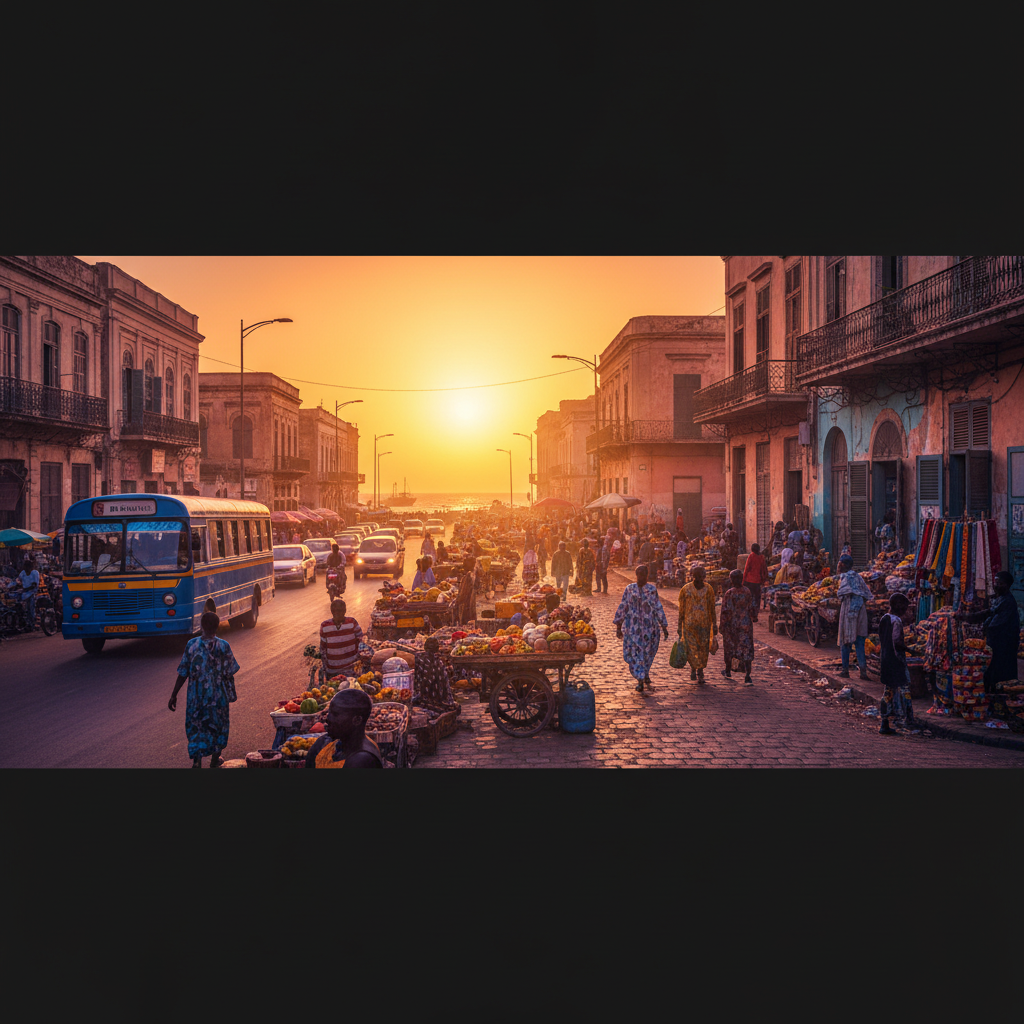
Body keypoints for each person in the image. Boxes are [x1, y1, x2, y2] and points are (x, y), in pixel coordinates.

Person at [168, 610, 239, 768]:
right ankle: (215, 758)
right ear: (217, 627)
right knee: (219, 726)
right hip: (218, 697)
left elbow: (182, 672)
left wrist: (174, 695)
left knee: (197, 727)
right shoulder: (223, 646)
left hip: (196, 698)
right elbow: (229, 672)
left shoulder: (192, 645)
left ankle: (197, 760)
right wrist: (231, 694)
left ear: (202, 626)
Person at [957, 570, 1021, 694]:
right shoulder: (1000, 599)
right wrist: (968, 617)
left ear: (1007, 585)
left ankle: (1001, 699)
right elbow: (989, 612)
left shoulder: (1008, 601)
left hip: (1004, 643)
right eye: (995, 582)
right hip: (996, 643)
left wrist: (981, 628)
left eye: (1000, 583)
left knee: (1002, 673)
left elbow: (996, 623)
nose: (996, 585)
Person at [613, 563, 669, 693]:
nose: (641, 577)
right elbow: (623, 606)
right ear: (636, 575)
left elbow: (657, 607)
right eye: (639, 574)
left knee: (648, 653)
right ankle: (640, 680)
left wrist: (663, 625)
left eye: (644, 574)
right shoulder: (629, 589)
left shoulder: (652, 590)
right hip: (633, 628)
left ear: (647, 575)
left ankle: (645, 673)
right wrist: (618, 625)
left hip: (650, 628)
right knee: (636, 653)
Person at [304, 689, 384, 768]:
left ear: (357, 720)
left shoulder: (362, 759)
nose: (328, 718)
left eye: (335, 714)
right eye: (329, 712)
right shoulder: (324, 744)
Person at [878, 592, 915, 735]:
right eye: (905, 607)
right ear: (900, 607)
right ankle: (908, 720)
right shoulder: (897, 621)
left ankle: (884, 722)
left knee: (888, 691)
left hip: (885, 659)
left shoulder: (884, 618)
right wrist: (910, 650)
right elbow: (898, 643)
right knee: (905, 689)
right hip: (896, 660)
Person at [678, 563, 717, 684]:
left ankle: (700, 670)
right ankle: (693, 668)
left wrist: (714, 624)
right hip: (689, 625)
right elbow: (681, 609)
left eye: (702, 576)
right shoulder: (685, 590)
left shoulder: (708, 589)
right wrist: (680, 626)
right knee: (691, 648)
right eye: (697, 576)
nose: (700, 578)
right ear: (692, 576)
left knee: (703, 649)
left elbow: (712, 607)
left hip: (705, 625)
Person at [837, 554, 872, 680]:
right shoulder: (858, 576)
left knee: (845, 641)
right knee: (859, 641)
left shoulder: (844, 577)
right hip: (860, 610)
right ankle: (863, 672)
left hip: (848, 609)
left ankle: (845, 670)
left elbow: (841, 593)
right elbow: (867, 594)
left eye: (840, 563)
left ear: (843, 565)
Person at [719, 569, 756, 685]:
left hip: (732, 625)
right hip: (745, 624)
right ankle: (748, 675)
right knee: (746, 649)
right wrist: (753, 617)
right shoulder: (747, 591)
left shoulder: (729, 593)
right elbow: (752, 607)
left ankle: (728, 670)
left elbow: (726, 611)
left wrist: (722, 625)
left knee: (730, 648)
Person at [319, 599, 364, 679]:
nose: (336, 613)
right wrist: (325, 667)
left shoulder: (352, 622)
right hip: (333, 670)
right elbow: (323, 647)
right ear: (331, 611)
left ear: (345, 610)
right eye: (334, 610)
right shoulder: (325, 626)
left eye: (339, 610)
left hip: (351, 668)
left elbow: (361, 641)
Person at [742, 542, 769, 622]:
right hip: (757, 581)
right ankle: (755, 615)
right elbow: (764, 569)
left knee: (749, 598)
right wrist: (764, 579)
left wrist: (743, 581)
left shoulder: (751, 556)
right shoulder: (761, 557)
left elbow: (746, 569)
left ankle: (749, 614)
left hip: (749, 581)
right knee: (757, 599)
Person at [17, 558, 40, 630]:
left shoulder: (35, 573)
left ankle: (32, 624)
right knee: (24, 609)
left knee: (31, 609)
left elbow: (34, 585)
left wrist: (25, 589)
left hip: (32, 593)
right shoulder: (23, 573)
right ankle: (25, 623)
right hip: (24, 594)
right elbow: (18, 579)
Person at [454, 558, 477, 624]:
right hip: (470, 606)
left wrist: (456, 602)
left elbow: (462, 595)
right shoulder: (472, 576)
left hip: (466, 607)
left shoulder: (467, 577)